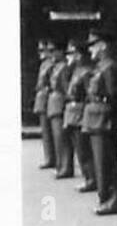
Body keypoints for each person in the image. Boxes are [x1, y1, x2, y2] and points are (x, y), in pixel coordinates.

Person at [82, 27, 117, 215]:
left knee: (107, 163)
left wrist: (114, 121)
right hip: (97, 119)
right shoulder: (101, 67)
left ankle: (112, 200)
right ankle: (105, 198)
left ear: (102, 46)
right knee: (101, 162)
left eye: (93, 46)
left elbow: (115, 96)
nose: (90, 50)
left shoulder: (109, 68)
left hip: (105, 120)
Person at [61, 40, 97, 191]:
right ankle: (88, 177)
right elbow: (66, 88)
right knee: (79, 148)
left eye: (72, 53)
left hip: (80, 112)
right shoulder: (75, 70)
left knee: (84, 150)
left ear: (79, 55)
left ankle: (91, 179)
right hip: (72, 112)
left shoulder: (86, 71)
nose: (69, 56)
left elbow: (90, 94)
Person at [45, 39, 72, 178]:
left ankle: (66, 167)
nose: (51, 54)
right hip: (53, 103)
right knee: (57, 138)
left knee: (62, 138)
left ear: (61, 52)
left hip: (59, 103)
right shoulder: (56, 67)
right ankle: (60, 165)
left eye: (52, 51)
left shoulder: (64, 67)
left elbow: (67, 88)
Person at [33, 38, 58, 169]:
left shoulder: (51, 65)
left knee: (51, 132)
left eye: (44, 50)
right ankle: (49, 157)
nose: (41, 53)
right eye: (40, 50)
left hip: (48, 99)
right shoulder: (44, 64)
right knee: (46, 132)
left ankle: (52, 158)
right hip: (42, 100)